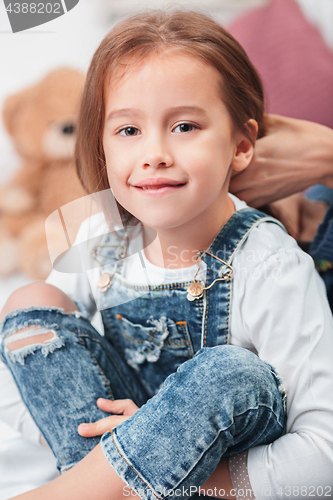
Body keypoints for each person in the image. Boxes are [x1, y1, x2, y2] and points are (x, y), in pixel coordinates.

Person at [0, 10, 333, 500]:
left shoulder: (269, 263)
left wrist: (181, 471)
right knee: (30, 307)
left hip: (210, 481)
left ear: (241, 146)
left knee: (229, 370)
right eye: (128, 131)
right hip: (106, 450)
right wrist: (137, 442)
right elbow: (28, 383)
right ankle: (100, 484)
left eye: (184, 126)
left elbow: (322, 458)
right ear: (102, 147)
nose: (153, 152)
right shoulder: (100, 234)